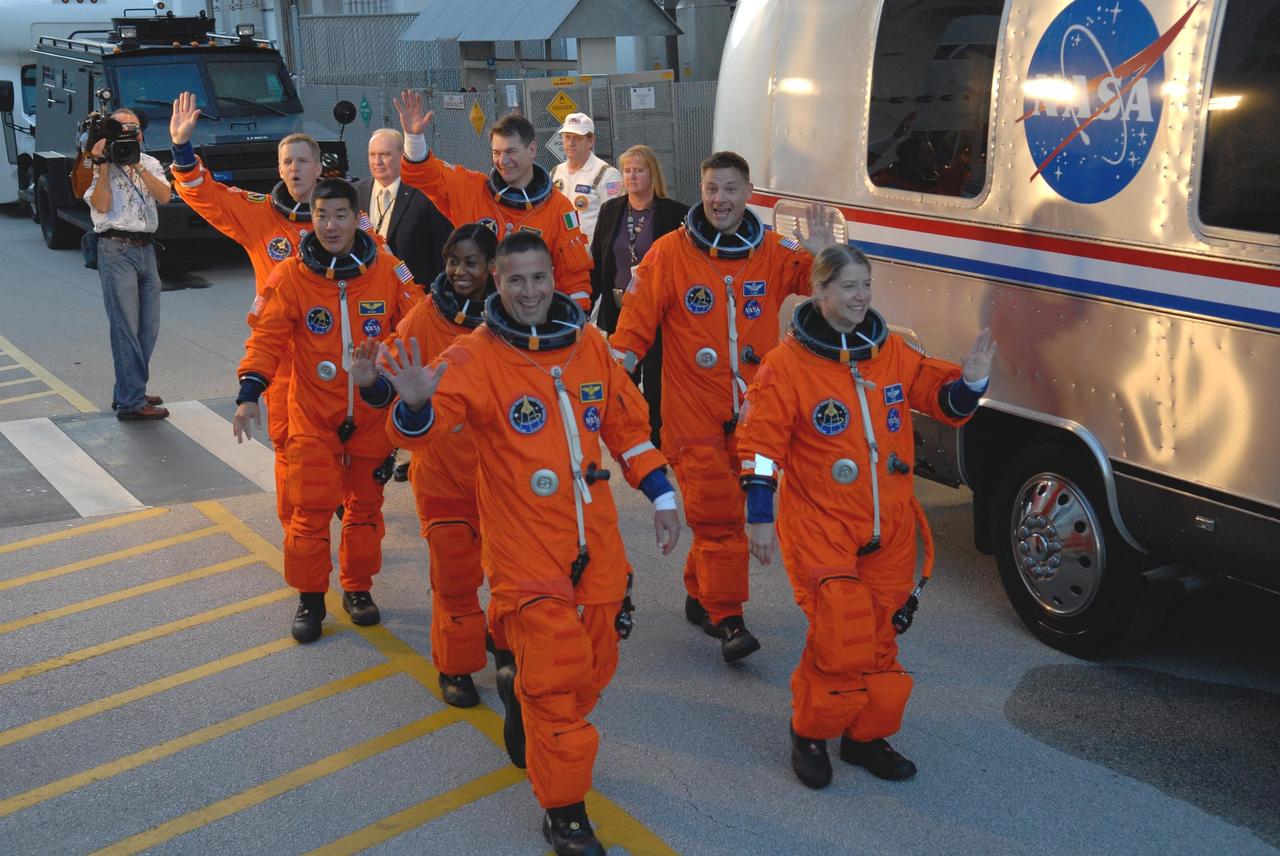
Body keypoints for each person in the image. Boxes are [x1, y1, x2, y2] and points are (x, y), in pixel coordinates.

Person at [380, 232, 680, 856]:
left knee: (592, 671)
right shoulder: (476, 357)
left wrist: (663, 496)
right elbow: (426, 428)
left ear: (553, 278)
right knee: (557, 678)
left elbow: (627, 428)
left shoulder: (589, 347)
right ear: (497, 280)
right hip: (523, 553)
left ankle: (523, 695)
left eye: (539, 278)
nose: (529, 292)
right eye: (515, 280)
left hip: (593, 545)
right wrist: (412, 405)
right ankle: (565, 812)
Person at [736, 244, 996, 788]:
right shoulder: (787, 367)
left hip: (891, 528)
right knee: (841, 633)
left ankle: (863, 736)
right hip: (821, 527)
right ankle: (809, 733)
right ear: (821, 291)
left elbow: (942, 400)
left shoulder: (891, 353)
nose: (861, 297)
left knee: (880, 638)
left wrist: (970, 382)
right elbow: (760, 444)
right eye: (849, 287)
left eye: (866, 286)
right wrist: (760, 513)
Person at [609, 150, 835, 663]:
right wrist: (605, 380)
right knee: (717, 515)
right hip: (693, 416)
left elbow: (818, 283)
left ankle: (700, 592)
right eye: (712, 189)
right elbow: (633, 331)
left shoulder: (778, 246)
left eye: (731, 189)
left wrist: (822, 253)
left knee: (724, 518)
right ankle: (728, 615)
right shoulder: (667, 254)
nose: (720, 199)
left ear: (749, 192)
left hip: (757, 418)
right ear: (702, 190)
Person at [169, 91, 379, 528]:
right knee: (287, 446)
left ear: (320, 167)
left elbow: (384, 270)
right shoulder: (261, 214)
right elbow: (204, 194)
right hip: (283, 356)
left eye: (303, 161)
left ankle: (342, 499)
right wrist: (182, 149)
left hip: (338, 353)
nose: (294, 169)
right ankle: (296, 534)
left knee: (348, 440)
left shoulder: (349, 221)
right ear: (278, 169)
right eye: (286, 162)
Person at [231, 178, 420, 644]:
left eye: (340, 215)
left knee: (364, 511)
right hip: (313, 416)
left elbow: (418, 327)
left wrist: (389, 379)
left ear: (358, 218)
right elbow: (268, 337)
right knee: (310, 511)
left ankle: (357, 588)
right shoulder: (292, 275)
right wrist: (248, 391)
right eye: (321, 216)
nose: (331, 226)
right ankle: (311, 597)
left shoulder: (388, 271)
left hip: (371, 414)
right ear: (310, 219)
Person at [364, 223, 499, 708]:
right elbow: (390, 378)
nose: (460, 272)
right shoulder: (424, 316)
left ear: (493, 269)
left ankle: (504, 642)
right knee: (456, 579)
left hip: (503, 480)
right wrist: (370, 385)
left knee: (510, 579)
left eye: (471, 263)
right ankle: (456, 666)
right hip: (443, 473)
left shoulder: (513, 325)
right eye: (453, 261)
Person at [392, 89, 594, 310]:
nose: (503, 161)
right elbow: (427, 176)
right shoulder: (472, 189)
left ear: (532, 149)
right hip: (471, 315)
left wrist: (576, 324)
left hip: (526, 318)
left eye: (511, 152)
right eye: (496, 152)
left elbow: (574, 278)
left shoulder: (557, 207)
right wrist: (414, 138)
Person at [590, 144, 686, 446]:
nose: (632, 176)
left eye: (639, 170)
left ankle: (656, 439)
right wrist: (584, 304)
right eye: (628, 170)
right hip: (621, 313)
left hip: (657, 316)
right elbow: (598, 259)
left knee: (656, 382)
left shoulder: (673, 213)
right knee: (625, 377)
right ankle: (632, 437)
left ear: (652, 173)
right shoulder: (611, 211)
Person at [84, 107, 172, 420]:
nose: (126, 133)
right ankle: (131, 403)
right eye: (118, 127)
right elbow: (102, 204)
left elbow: (165, 197)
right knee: (126, 329)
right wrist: (102, 165)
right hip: (115, 249)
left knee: (148, 328)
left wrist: (137, 165)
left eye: (131, 127)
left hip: (147, 249)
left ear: (141, 133)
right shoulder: (95, 164)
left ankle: (128, 388)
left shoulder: (149, 162)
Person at [354, 128, 454, 286]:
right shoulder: (354, 194)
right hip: (365, 291)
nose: (377, 162)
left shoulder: (426, 196)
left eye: (384, 155)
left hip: (414, 294)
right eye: (372, 154)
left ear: (402, 157)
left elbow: (442, 252)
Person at [549, 112, 622, 244]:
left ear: (590, 140)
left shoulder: (607, 174)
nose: (570, 143)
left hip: (591, 259)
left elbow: (614, 223)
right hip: (561, 257)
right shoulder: (555, 173)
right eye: (567, 137)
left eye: (577, 138)